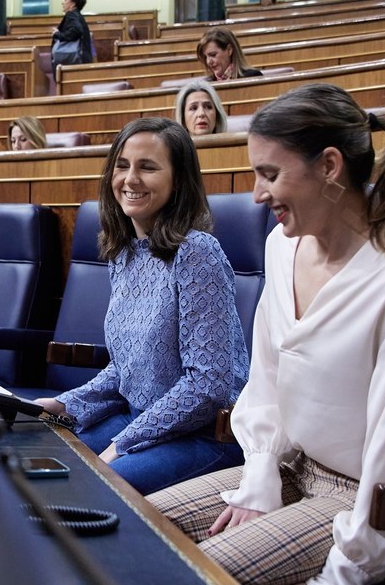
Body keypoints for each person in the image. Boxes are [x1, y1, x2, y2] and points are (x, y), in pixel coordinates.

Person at [147, 83, 385, 585]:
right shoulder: (283, 247)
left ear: (330, 166)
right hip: (293, 470)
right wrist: (259, 474)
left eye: (269, 173)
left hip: (379, 509)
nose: (256, 194)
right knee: (127, 535)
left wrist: (339, 581)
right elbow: (266, 381)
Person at [36, 118, 249, 496]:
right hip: (139, 419)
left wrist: (121, 444)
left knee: (88, 487)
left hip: (204, 435)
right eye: (122, 165)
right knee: (39, 457)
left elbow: (208, 386)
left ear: (178, 180)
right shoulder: (123, 254)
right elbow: (125, 370)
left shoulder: (197, 253)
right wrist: (62, 404)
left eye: (147, 167)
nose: (130, 179)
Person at [196, 29, 262, 82]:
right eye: (205, 57)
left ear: (229, 50)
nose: (208, 62)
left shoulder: (253, 77)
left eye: (213, 55)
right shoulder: (206, 85)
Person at [51, 0, 94, 65]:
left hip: (76, 60)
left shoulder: (71, 14)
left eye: (66, 0)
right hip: (83, 59)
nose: (62, 3)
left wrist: (58, 34)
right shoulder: (78, 15)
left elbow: (77, 30)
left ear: (73, 3)